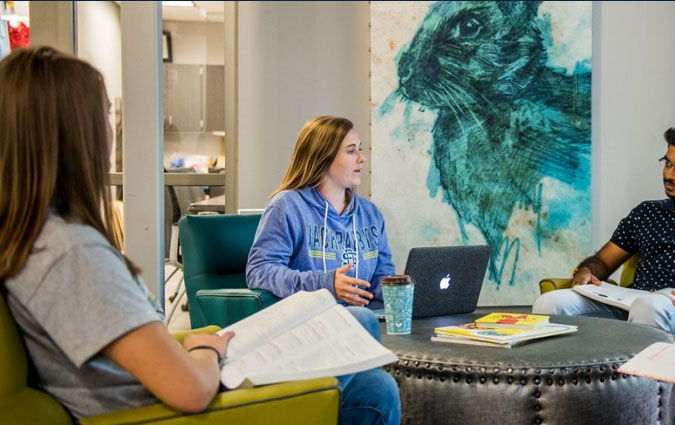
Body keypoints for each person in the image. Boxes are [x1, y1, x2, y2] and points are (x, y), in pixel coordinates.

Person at [0, 47, 234, 418]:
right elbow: (191, 391)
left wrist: (195, 346)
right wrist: (205, 350)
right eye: (106, 114)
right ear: (76, 129)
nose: (112, 131)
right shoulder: (70, 254)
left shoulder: (37, 239)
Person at [532, 121, 675, 336]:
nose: (669, 174)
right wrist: (585, 270)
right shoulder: (647, 212)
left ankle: (637, 384)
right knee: (551, 302)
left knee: (648, 307)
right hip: (629, 302)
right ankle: (562, 382)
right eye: (667, 163)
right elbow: (603, 262)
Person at [245, 115, 400, 425]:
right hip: (304, 333)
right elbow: (259, 271)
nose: (362, 158)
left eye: (360, 149)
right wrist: (327, 284)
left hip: (357, 335)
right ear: (324, 157)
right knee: (361, 318)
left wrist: (404, 289)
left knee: (382, 388)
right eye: (351, 150)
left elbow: (382, 277)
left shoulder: (370, 213)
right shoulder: (288, 206)